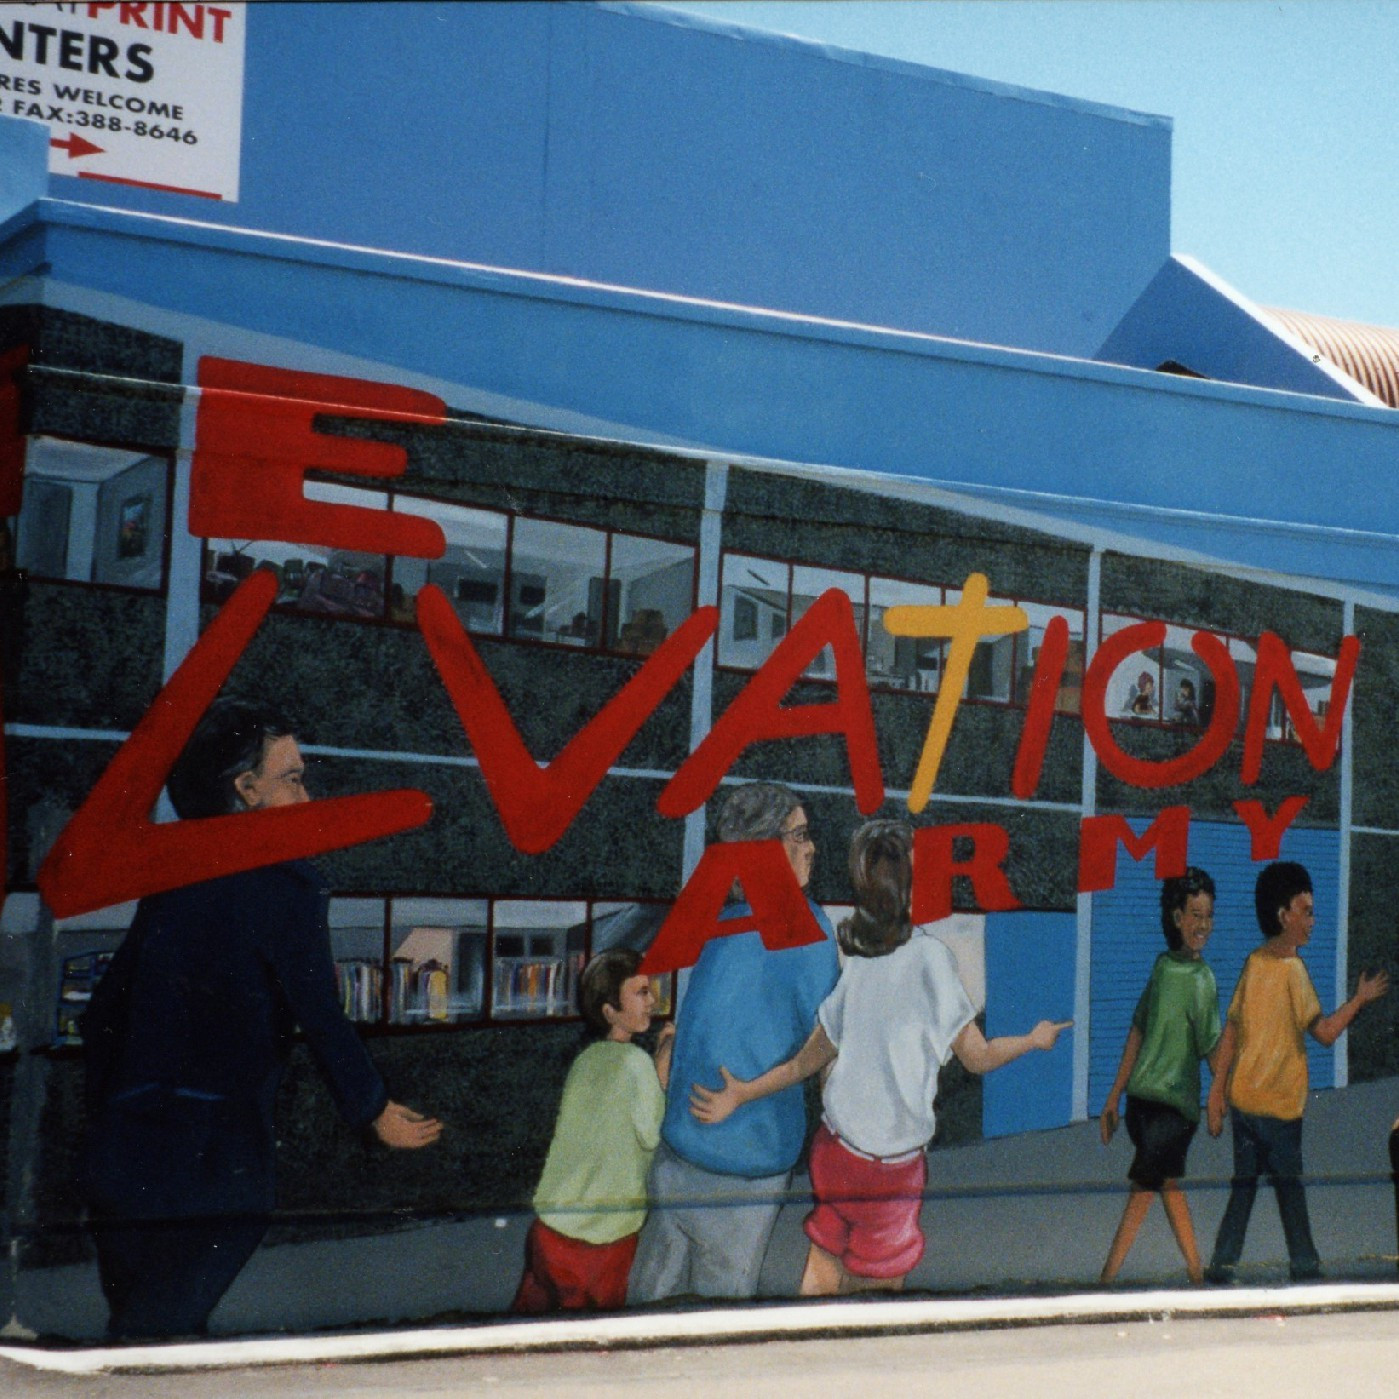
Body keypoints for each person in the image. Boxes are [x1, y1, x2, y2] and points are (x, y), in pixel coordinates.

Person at [80, 697, 442, 1339]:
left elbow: (104, 1009)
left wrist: (117, 1102)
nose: (307, 796)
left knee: (143, 1329)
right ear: (246, 790)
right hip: (215, 1157)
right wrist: (373, 1110)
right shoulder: (286, 884)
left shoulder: (173, 874)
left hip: (122, 1145)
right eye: (293, 779)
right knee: (160, 1337)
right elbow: (321, 1013)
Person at [689, 819, 1069, 1295]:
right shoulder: (931, 959)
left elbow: (806, 1061)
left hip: (834, 1154)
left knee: (821, 1287)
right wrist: (1033, 1040)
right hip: (890, 1170)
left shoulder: (861, 963)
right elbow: (978, 1057)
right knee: (878, 1307)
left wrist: (743, 1093)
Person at [627, 782, 839, 1304]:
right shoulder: (807, 929)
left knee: (645, 1301)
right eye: (799, 835)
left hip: (679, 1152)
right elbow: (827, 1042)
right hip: (742, 1165)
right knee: (718, 1315)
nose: (810, 847)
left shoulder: (722, 921)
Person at [1205, 861, 1389, 1283]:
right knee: (1289, 1193)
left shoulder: (1254, 963)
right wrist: (1359, 1000)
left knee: (1243, 1190)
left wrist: (1218, 1093)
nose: (1311, 920)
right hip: (1279, 1112)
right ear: (1282, 915)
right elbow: (1324, 1033)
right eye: (1305, 911)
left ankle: (1221, 1268)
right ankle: (1304, 1268)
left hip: (1247, 1106)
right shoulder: (1293, 972)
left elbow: (1231, 1029)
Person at [512, 949, 675, 1313]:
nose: (652, 1001)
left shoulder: (586, 1061)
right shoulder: (636, 1064)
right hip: (601, 1239)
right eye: (641, 993)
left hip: (550, 1229)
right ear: (610, 1012)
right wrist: (663, 1058)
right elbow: (650, 1132)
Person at [1099, 867, 1222, 1285]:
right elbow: (1138, 1029)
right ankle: (1196, 1274)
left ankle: (1108, 1277)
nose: (1202, 925)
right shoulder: (1162, 968)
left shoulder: (1204, 980)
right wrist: (1114, 1095)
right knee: (1164, 1184)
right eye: (1194, 914)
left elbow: (1210, 1048)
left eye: (1208, 915)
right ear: (1176, 918)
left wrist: (1220, 1093)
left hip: (1177, 1106)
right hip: (1141, 1102)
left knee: (1146, 1185)